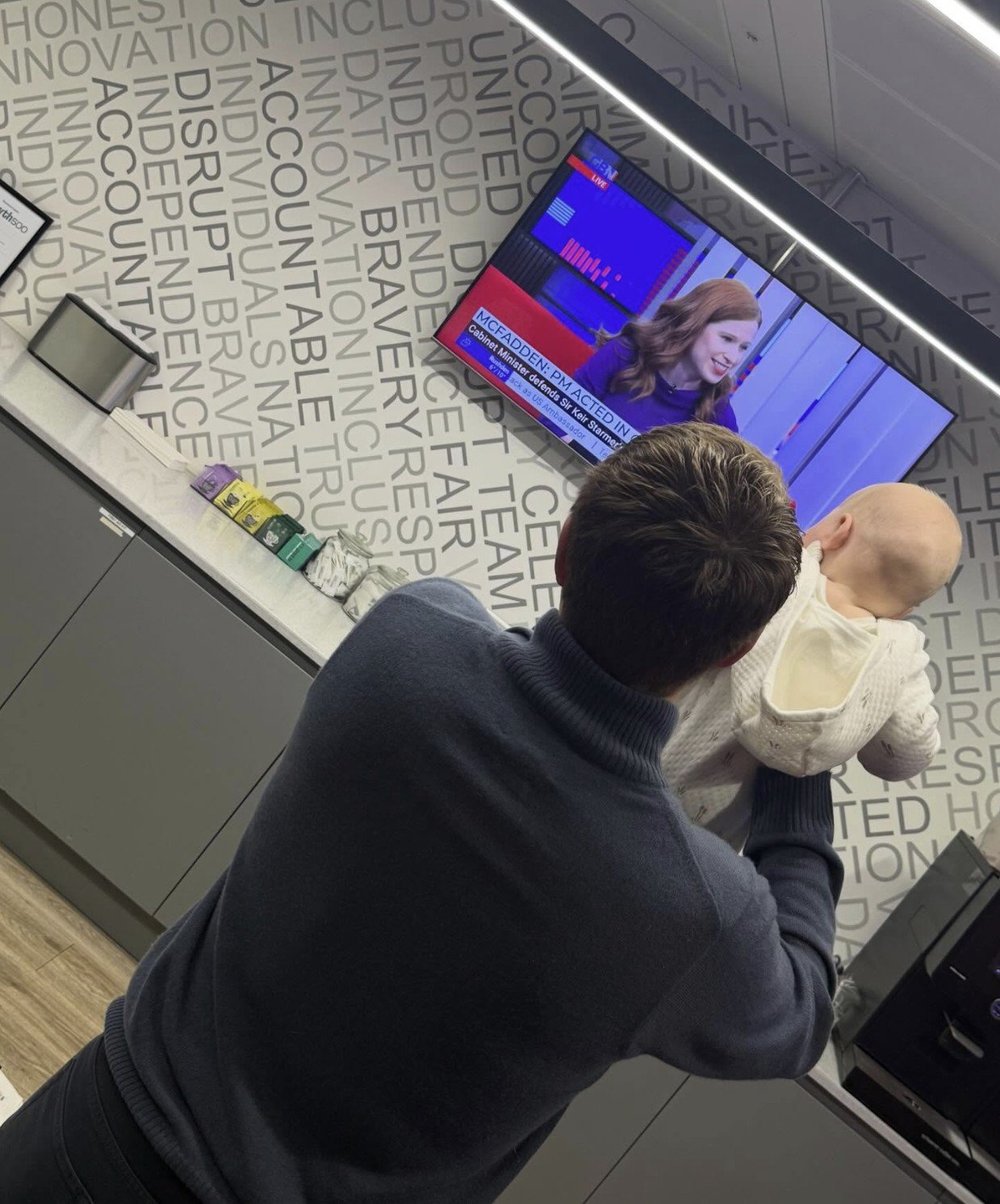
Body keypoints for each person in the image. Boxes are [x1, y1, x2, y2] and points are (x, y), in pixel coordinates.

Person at [0, 424, 843, 1204]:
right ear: (736, 652)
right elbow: (799, 1012)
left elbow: (517, 673)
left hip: (95, 1126)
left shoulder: (413, 636)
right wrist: (806, 741)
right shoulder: (694, 910)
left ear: (565, 543)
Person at [664, 482, 963, 849]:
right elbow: (906, 756)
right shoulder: (897, 655)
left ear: (839, 531)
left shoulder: (777, 572)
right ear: (905, 612)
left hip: (639, 756)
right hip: (696, 841)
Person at [573, 277, 761, 433]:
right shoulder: (625, 352)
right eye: (727, 339)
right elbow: (557, 413)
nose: (733, 358)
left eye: (743, 347)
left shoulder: (718, 416)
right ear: (695, 323)